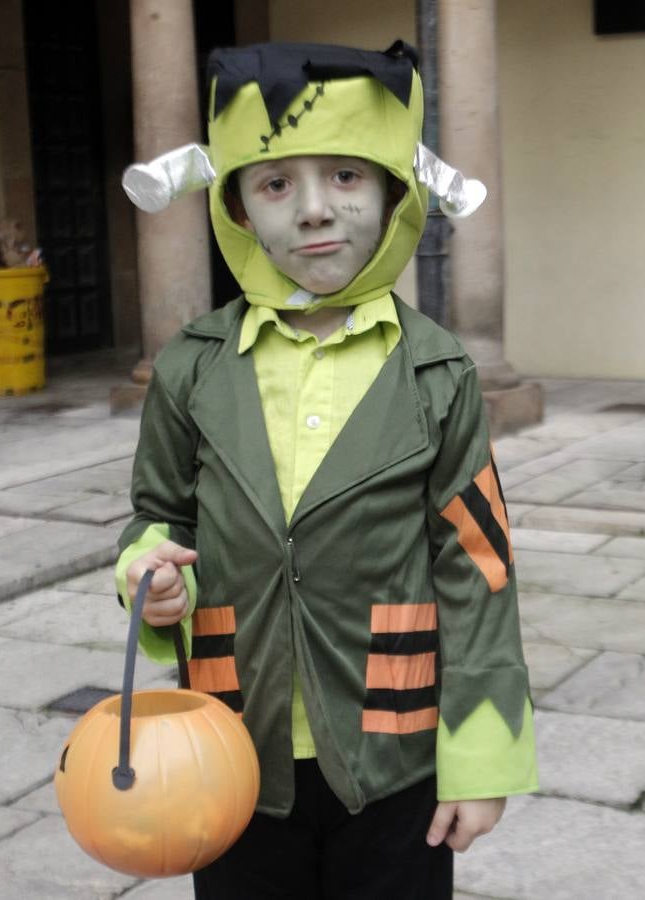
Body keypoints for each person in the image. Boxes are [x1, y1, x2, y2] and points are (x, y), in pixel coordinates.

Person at [114, 41, 537, 899]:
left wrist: (482, 757)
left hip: (395, 757)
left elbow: (478, 566)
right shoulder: (192, 366)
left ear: (394, 192)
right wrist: (147, 574)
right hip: (229, 746)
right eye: (276, 184)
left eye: (345, 176)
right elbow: (159, 513)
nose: (314, 212)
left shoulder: (438, 372)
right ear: (236, 206)